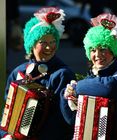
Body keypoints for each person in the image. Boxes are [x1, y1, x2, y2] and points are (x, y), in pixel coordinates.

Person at [60, 13, 117, 140]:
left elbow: (109, 87)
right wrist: (66, 96)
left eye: (103, 49)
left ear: (113, 51)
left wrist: (76, 88)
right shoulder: (90, 80)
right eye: (92, 50)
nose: (97, 55)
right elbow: (73, 120)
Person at [0, 7, 76, 140]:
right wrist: (6, 134)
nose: (49, 47)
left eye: (53, 42)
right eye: (43, 42)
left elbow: (61, 120)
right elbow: (7, 110)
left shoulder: (62, 74)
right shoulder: (18, 72)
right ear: (32, 44)